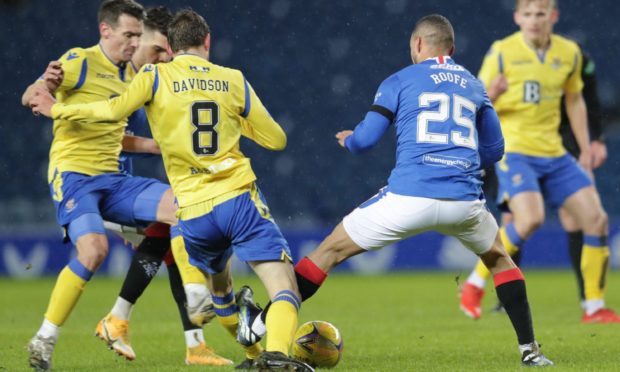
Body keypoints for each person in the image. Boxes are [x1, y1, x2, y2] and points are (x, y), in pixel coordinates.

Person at [236, 14, 552, 367]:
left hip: (408, 198)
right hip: (464, 201)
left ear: (418, 45)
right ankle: (531, 351)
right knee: (499, 259)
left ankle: (257, 326)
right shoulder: (475, 85)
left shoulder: (400, 80)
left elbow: (366, 140)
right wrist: (456, 163)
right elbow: (495, 151)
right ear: (452, 49)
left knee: (327, 253)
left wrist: (350, 140)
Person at [30, 8, 314, 372]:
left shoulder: (152, 76)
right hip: (234, 197)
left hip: (193, 211)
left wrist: (58, 112)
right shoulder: (232, 78)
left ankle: (238, 348)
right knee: (282, 284)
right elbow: (276, 140)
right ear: (207, 41)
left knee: (220, 287)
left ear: (171, 45)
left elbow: (112, 111)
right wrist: (236, 122)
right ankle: (272, 355)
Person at [22, 1, 183, 370]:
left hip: (113, 179)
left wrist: (160, 146)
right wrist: (40, 90)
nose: (133, 44)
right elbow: (32, 93)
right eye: (128, 35)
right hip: (75, 177)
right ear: (105, 31)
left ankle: (194, 311)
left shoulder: (131, 76)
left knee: (183, 206)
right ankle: (45, 338)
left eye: (137, 37)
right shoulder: (78, 61)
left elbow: (117, 137)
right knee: (94, 251)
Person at [458, 0, 619, 324]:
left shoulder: (569, 52)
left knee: (596, 219)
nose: (534, 20)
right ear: (518, 17)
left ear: (553, 17)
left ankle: (593, 307)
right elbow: (474, 101)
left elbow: (574, 99)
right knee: (530, 219)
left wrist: (586, 146)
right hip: (515, 151)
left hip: (555, 152)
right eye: (527, 14)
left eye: (540, 13)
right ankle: (475, 282)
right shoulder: (502, 51)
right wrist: (495, 92)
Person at [93, 6, 231, 366]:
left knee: (174, 242)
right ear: (135, 40)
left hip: (125, 186)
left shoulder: (152, 80)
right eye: (155, 50)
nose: (162, 58)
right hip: (101, 187)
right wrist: (160, 146)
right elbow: (110, 136)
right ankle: (119, 319)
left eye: (167, 52)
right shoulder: (119, 79)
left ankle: (192, 344)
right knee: (177, 220)